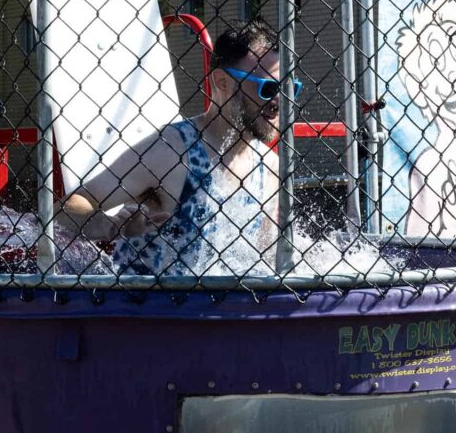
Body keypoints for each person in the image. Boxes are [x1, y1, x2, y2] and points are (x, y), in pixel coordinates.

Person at [61, 20, 292, 276]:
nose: (278, 101)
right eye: (268, 88)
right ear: (223, 82)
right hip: (151, 308)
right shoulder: (172, 150)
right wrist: (111, 225)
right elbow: (69, 207)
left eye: (288, 88)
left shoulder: (268, 168)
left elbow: (268, 261)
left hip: (224, 311)